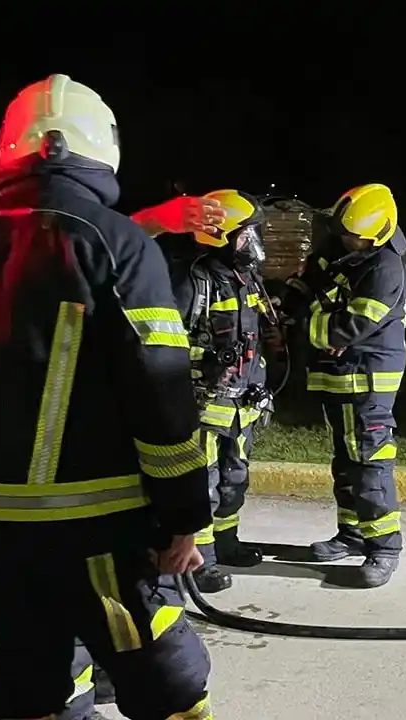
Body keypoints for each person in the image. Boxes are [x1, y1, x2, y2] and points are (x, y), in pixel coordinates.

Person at [0, 73, 215, 719]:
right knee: (167, 683)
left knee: (25, 688)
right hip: (100, 534)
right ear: (103, 148)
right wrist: (183, 516)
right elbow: (160, 392)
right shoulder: (114, 241)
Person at [279, 183, 406, 588]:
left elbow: (347, 327)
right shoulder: (342, 248)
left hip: (366, 378)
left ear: (377, 234)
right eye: (343, 233)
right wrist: (287, 306)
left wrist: (304, 325)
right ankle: (352, 534)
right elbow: (308, 283)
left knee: (369, 462)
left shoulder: (385, 269)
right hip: (340, 374)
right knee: (346, 461)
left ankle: (384, 547)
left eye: (353, 236)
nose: (345, 240)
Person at [158, 189, 275, 594]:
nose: (253, 242)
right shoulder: (193, 280)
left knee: (234, 478)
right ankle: (200, 561)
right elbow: (169, 342)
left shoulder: (244, 278)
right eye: (246, 235)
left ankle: (227, 542)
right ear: (219, 236)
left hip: (242, 403)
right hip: (205, 405)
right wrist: (204, 361)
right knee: (203, 483)